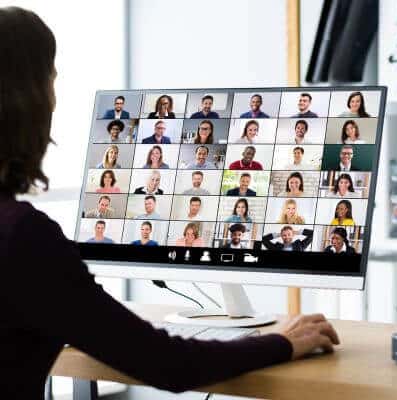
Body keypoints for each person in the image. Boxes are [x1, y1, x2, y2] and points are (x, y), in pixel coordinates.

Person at [0, 8, 339, 397]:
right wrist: (283, 341)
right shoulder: (23, 238)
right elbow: (166, 363)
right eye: (52, 82)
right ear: (27, 101)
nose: (55, 101)